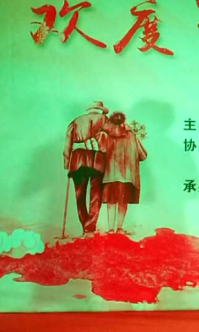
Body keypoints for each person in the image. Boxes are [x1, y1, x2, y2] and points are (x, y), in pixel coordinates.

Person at [63, 101, 109, 235]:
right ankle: (90, 225)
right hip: (97, 159)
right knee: (96, 193)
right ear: (100, 110)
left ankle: (85, 224)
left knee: (79, 194)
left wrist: (67, 162)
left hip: (77, 160)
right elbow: (110, 140)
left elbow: (67, 144)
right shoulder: (105, 120)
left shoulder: (76, 121)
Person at [101, 111, 147, 234]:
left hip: (109, 175)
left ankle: (110, 229)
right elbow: (143, 155)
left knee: (111, 202)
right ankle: (120, 228)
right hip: (127, 175)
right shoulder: (131, 134)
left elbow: (101, 151)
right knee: (123, 202)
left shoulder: (105, 134)